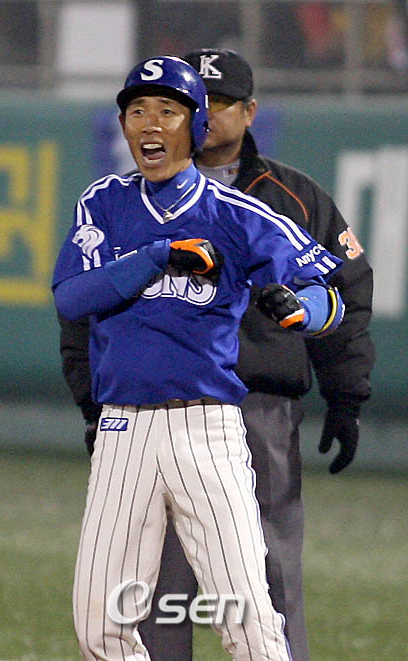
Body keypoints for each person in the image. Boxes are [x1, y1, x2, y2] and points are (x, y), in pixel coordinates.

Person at [58, 49, 374, 661]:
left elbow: (330, 293)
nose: (151, 124)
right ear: (122, 125)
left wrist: (301, 310)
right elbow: (73, 297)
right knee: (102, 621)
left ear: (197, 124)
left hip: (206, 427)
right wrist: (156, 257)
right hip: (123, 427)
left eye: (168, 111)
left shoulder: (237, 212)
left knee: (247, 617)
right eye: (138, 111)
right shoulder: (102, 203)